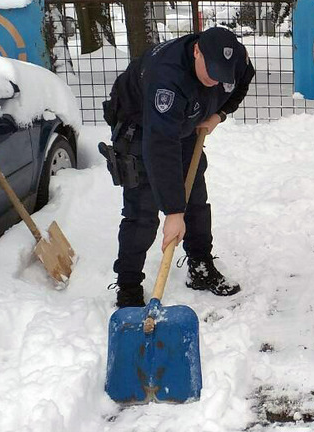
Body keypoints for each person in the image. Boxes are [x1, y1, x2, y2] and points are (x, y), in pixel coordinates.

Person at [100, 27, 255, 308]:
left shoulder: (236, 61)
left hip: (184, 123)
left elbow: (243, 81)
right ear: (197, 51)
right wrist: (173, 211)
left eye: (222, 76)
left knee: (195, 199)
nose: (214, 81)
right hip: (142, 128)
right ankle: (128, 286)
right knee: (143, 212)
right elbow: (160, 146)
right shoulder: (166, 79)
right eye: (211, 73)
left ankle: (200, 267)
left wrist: (219, 115)